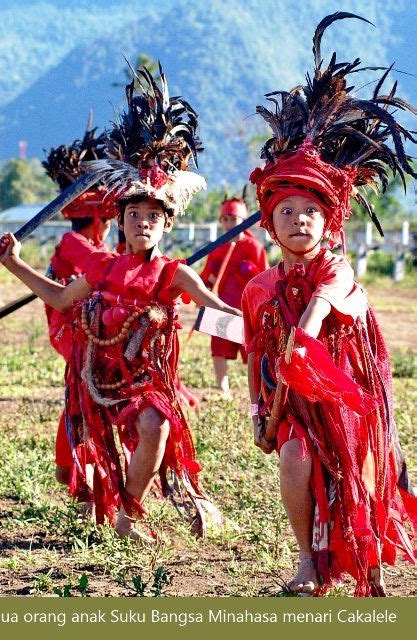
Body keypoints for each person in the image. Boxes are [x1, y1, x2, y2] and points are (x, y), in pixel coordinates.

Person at [0, 66, 240, 541]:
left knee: (158, 426)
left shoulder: (174, 273)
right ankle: (99, 504)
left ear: (166, 225)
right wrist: (14, 264)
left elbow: (218, 308)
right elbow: (60, 298)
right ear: (121, 221)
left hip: (147, 380)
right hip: (94, 377)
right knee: (92, 443)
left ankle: (129, 516)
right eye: (134, 215)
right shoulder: (102, 267)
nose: (143, 223)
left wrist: (262, 321)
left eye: (153, 216)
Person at [242, 13, 416, 597]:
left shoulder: (336, 269)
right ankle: (306, 563)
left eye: (309, 211)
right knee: (295, 462)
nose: (298, 220)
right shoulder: (259, 288)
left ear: (328, 223)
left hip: (345, 393)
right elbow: (255, 354)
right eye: (286, 211)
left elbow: (326, 303)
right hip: (292, 403)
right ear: (271, 223)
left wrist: (309, 329)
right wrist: (258, 409)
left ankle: (370, 569)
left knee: (359, 474)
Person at [41, 128, 117, 489]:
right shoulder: (75, 242)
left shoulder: (86, 243)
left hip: (90, 328)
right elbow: (107, 268)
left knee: (90, 392)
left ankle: (77, 469)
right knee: (83, 394)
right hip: (72, 329)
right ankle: (74, 469)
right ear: (100, 219)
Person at [200, 196, 267, 397]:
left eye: (233, 219)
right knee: (218, 350)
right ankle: (223, 390)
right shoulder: (217, 247)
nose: (229, 223)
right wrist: (209, 279)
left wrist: (249, 270)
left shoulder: (254, 246)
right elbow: (206, 280)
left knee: (252, 352)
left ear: (243, 220)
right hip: (221, 305)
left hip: (247, 309)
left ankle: (258, 391)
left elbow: (264, 278)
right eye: (225, 219)